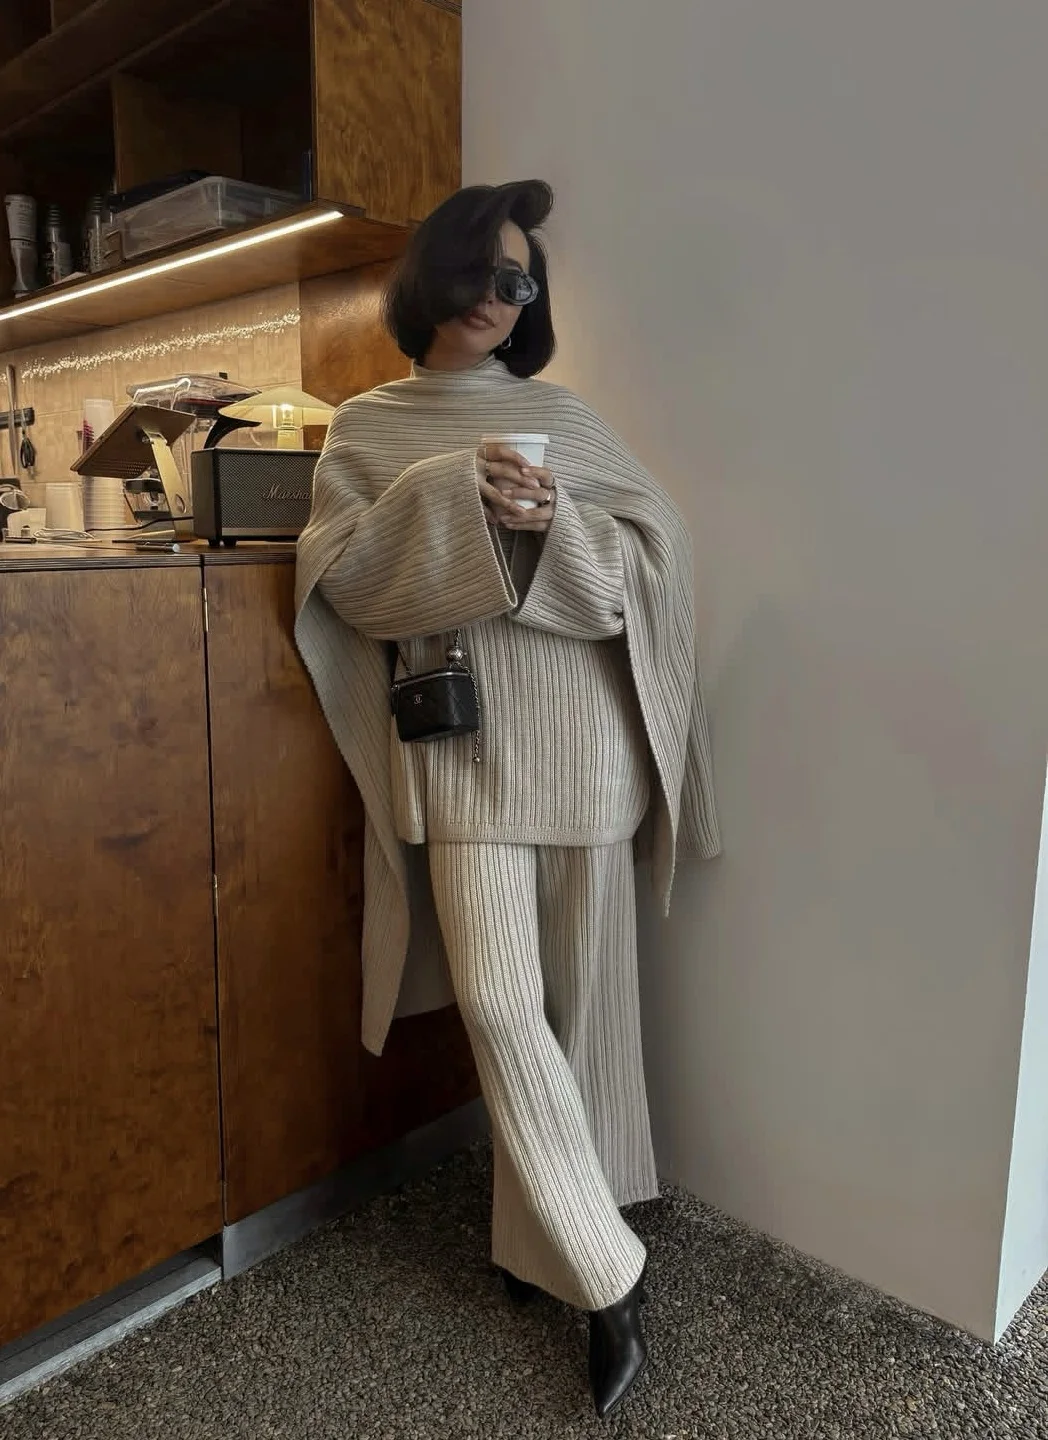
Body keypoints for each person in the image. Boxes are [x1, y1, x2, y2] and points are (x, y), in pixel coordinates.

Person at [294, 179, 720, 1418]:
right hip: (463, 752)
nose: (497, 295)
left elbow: (649, 573)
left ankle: (542, 1246)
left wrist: (554, 521)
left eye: (519, 280)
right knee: (497, 1002)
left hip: (585, 746)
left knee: (587, 1010)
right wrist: (449, 495)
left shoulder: (563, 420)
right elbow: (346, 589)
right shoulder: (366, 427)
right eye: (480, 269)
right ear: (430, 275)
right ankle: (606, 1276)